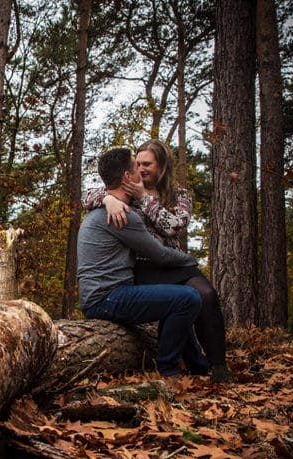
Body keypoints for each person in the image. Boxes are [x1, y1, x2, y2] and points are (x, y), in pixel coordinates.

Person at [82, 139, 231, 383]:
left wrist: (144, 198)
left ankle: (217, 365)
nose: (141, 168)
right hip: (142, 264)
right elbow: (89, 195)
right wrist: (108, 199)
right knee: (182, 301)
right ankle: (176, 367)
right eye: (138, 163)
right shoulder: (125, 194)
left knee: (205, 294)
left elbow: (173, 227)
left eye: (147, 164)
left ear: (161, 166)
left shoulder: (179, 195)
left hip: (172, 263)